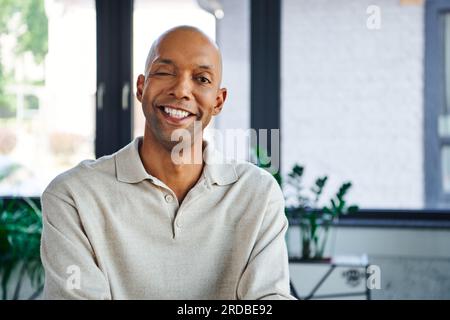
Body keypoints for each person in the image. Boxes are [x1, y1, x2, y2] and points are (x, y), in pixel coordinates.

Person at [40, 26, 294, 300]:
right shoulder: (73, 196)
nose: (181, 90)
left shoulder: (258, 194)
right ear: (141, 87)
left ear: (218, 102)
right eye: (164, 72)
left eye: (202, 79)